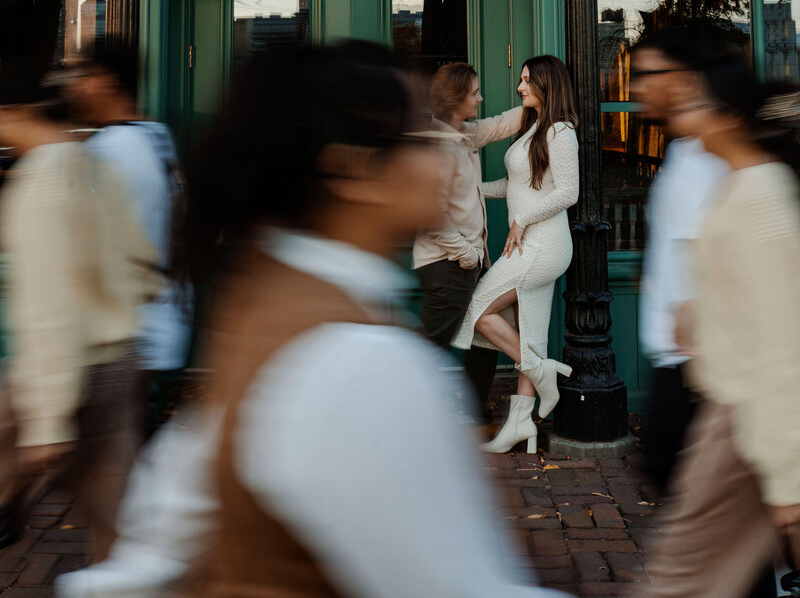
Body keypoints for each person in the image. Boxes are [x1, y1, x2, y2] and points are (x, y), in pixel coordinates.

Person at [56, 42, 563, 598]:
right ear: (354, 168)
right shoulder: (364, 364)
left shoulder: (261, 306)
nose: (438, 158)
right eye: (415, 139)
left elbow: (151, 552)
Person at [648, 58, 800, 598]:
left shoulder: (758, 198)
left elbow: (781, 347)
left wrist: (786, 483)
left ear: (729, 118)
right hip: (734, 418)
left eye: (696, 104)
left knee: (681, 580)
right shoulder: (744, 188)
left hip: (745, 428)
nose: (682, 116)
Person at [0, 63, 161, 561]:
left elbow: (50, 308)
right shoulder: (91, 164)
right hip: (119, 359)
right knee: (116, 526)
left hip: (68, 374)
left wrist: (47, 422)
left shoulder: (38, 186)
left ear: (14, 112)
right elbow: (145, 267)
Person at [452, 55, 578, 454]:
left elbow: (567, 193)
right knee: (532, 334)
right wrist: (473, 191)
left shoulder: (560, 131)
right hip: (527, 244)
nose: (520, 87)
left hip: (544, 245)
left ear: (546, 84)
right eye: (521, 80)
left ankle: (542, 373)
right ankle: (521, 423)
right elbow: (516, 184)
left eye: (527, 81)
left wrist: (522, 219)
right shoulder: (533, 127)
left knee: (477, 310)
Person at [65, 44, 193, 434]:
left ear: (107, 82)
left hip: (124, 333)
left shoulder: (108, 152)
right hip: (157, 323)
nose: (75, 86)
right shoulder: (155, 135)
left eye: (83, 76)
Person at [631, 26, 730, 493]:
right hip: (677, 360)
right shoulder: (682, 149)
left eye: (649, 74)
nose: (636, 86)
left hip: (696, 367)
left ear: (685, 78)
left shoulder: (710, 156)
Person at [413, 62, 522, 420]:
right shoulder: (439, 146)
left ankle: (474, 410)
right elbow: (431, 216)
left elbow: (502, 123)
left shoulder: (462, 135)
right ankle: (402, 412)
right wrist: (468, 256)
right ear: (457, 98)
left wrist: (544, 97)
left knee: (484, 335)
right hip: (446, 265)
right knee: (430, 346)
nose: (480, 97)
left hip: (464, 261)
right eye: (474, 92)